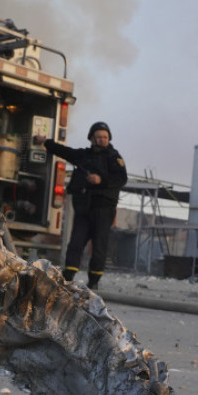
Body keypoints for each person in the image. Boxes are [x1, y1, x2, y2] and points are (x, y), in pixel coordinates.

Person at [34, 121, 127, 290]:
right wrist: (45, 142)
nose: (101, 140)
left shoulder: (114, 159)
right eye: (98, 137)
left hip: (103, 209)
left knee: (99, 245)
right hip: (84, 208)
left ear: (109, 138)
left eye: (105, 137)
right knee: (76, 243)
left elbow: (121, 179)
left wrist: (101, 180)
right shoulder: (84, 155)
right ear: (92, 138)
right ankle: (67, 277)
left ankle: (94, 282)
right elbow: (64, 151)